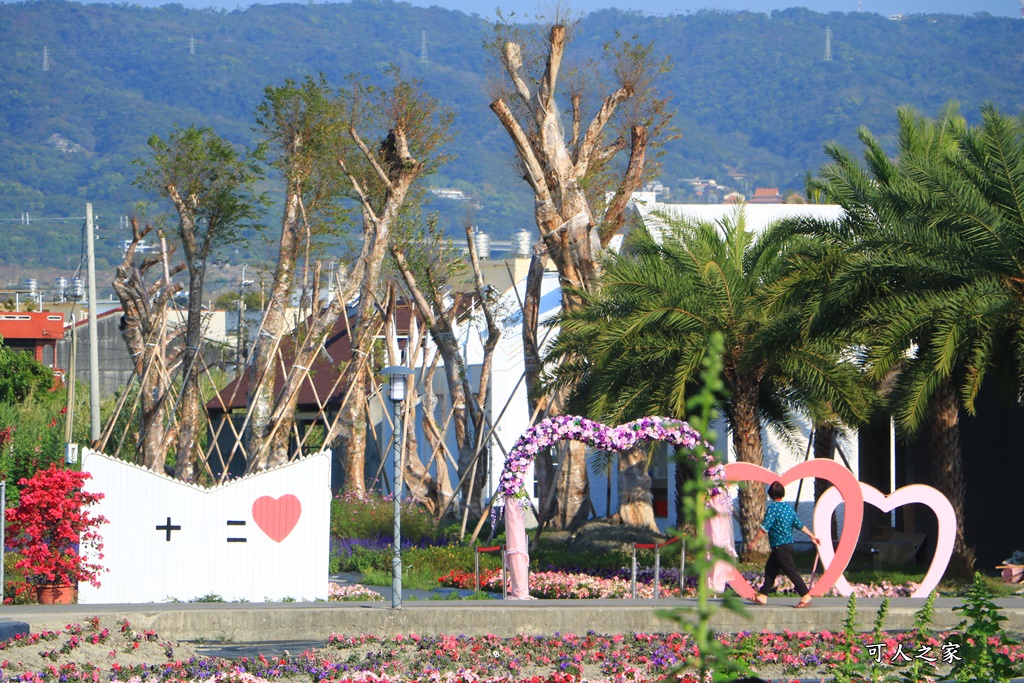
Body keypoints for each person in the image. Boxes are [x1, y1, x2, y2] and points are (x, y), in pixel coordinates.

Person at [749, 481, 820, 608]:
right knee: (770, 569)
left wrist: (753, 541)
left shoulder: (773, 509)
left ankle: (805, 595)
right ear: (783, 493)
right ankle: (763, 596)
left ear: (770, 494)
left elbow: (764, 528)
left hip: (779, 546)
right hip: (786, 545)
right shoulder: (788, 508)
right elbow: (799, 524)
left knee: (790, 571)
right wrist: (811, 535)